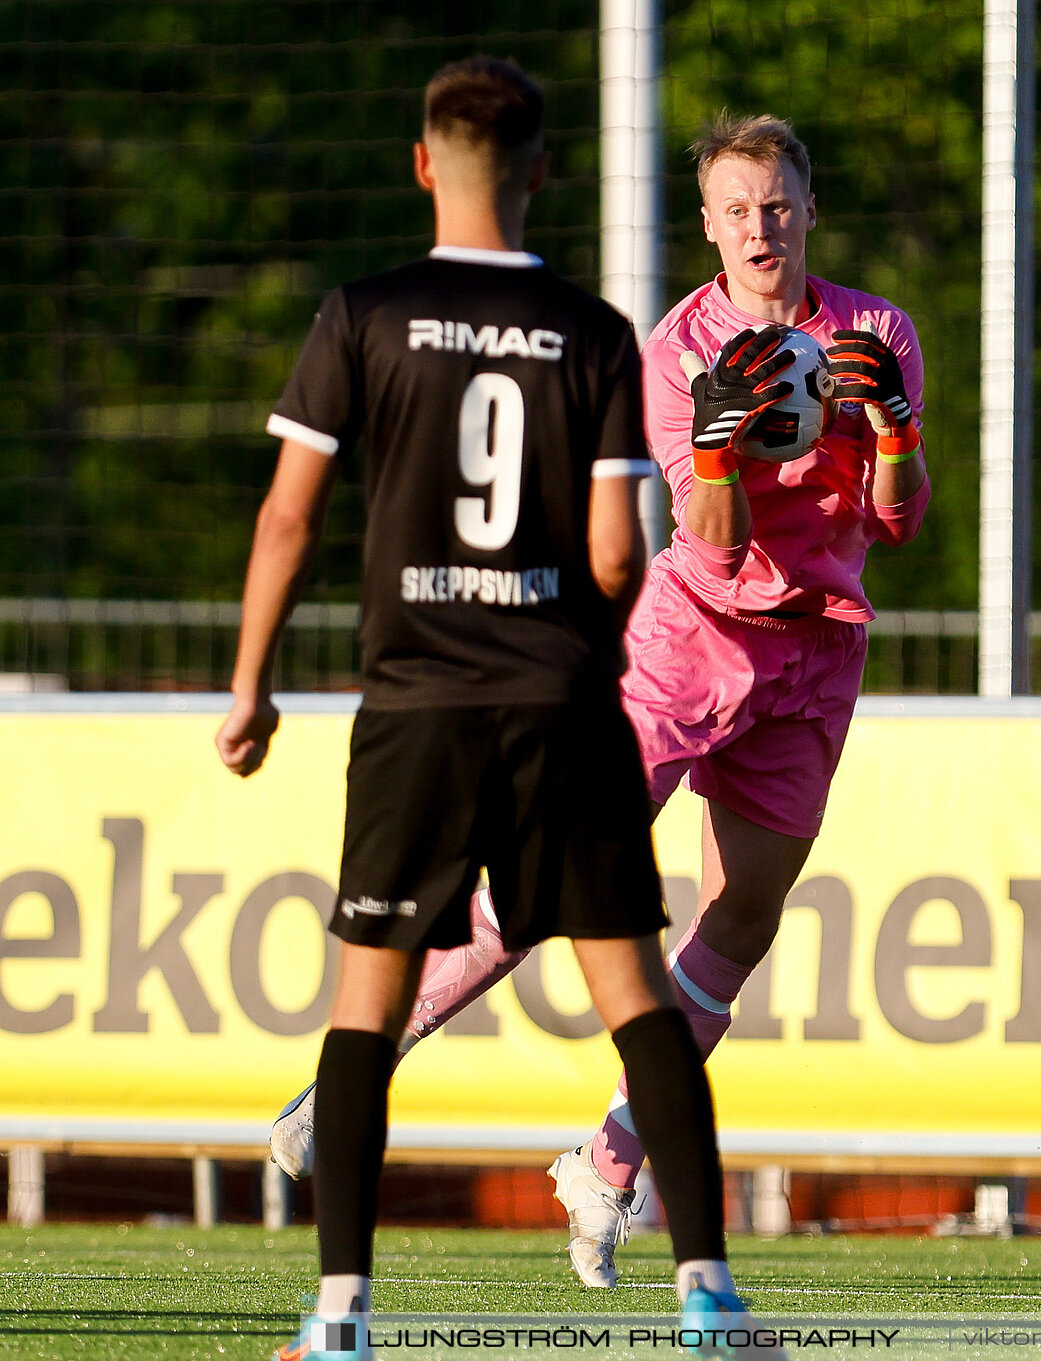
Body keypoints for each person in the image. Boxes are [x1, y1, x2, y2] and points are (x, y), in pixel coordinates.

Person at [267, 110, 931, 1290]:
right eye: (738, 209)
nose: (761, 226)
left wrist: (891, 426)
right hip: (692, 635)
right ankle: (350, 1075)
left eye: (779, 204)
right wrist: (723, 449)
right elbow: (711, 542)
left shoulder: (876, 331)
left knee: (748, 912)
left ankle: (608, 1160)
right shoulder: (677, 350)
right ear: (710, 224)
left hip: (818, 652)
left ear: (810, 210)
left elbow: (899, 519)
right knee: (542, 882)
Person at [221, 58, 762, 1360]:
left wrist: (250, 684)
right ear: (541, 174)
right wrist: (581, 646)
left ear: (424, 165)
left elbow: (290, 512)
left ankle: (341, 1311)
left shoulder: (364, 314)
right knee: (639, 1001)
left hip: (416, 706)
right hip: (560, 700)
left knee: (364, 1010)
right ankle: (708, 1298)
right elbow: (624, 555)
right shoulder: (590, 335)